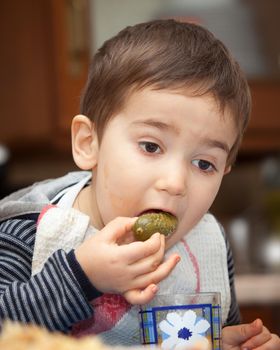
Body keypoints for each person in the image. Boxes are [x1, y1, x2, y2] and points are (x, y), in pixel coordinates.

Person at [0, 19, 279, 349]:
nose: (176, 183)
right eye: (151, 146)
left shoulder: (208, 245)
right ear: (89, 143)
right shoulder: (29, 234)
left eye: (204, 164)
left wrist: (221, 344)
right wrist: (80, 276)